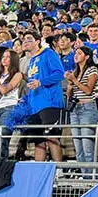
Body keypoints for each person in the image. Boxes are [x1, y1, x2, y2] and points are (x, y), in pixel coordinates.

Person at [23, 33, 66, 162]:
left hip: (50, 103)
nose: (25, 42)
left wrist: (41, 82)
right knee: (38, 141)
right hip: (34, 106)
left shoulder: (48, 54)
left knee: (52, 138)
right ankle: (38, 173)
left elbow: (60, 74)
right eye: (24, 40)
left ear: (37, 41)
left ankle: (59, 171)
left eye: (29, 39)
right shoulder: (31, 60)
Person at [64, 46, 98, 168]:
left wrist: (75, 81)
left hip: (87, 108)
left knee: (87, 147)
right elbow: (69, 95)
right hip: (75, 109)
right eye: (75, 53)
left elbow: (89, 90)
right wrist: (69, 85)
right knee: (78, 149)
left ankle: (93, 178)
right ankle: (84, 177)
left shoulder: (92, 70)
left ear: (87, 56)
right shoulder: (75, 72)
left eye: (79, 53)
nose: (76, 55)